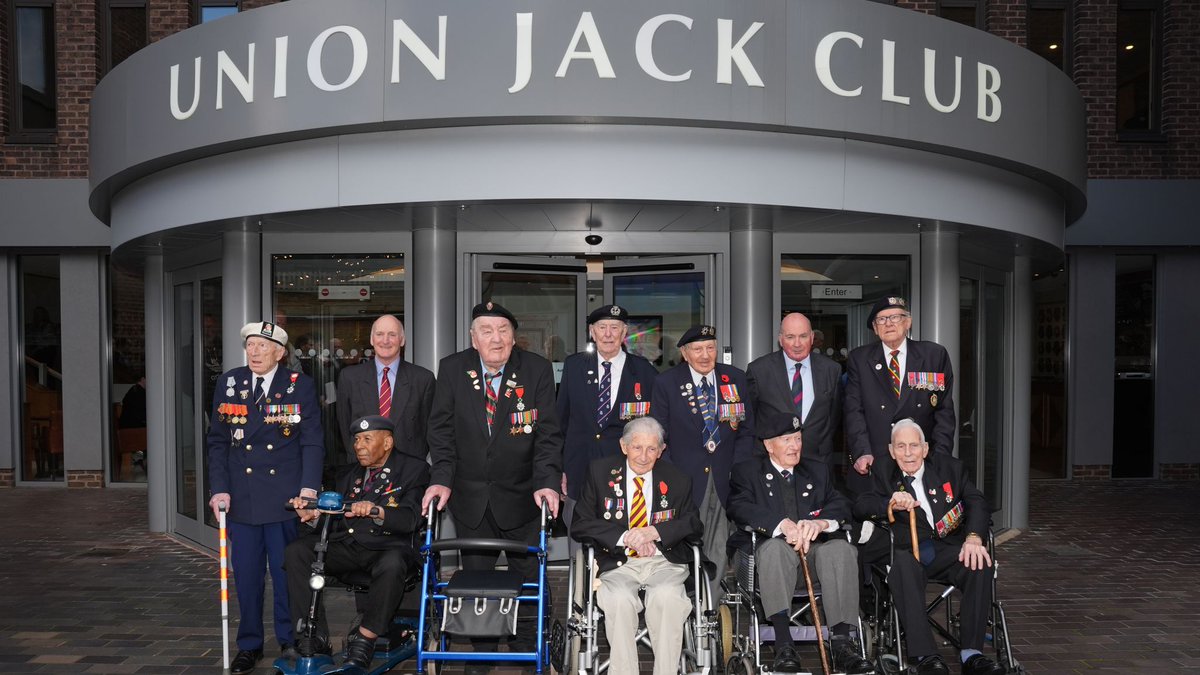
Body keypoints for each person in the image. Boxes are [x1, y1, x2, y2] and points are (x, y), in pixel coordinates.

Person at [422, 301, 562, 674]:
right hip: (470, 497)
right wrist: (441, 480)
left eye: (502, 330)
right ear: (473, 337)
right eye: (486, 330)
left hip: (524, 495)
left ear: (514, 337)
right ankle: (481, 651)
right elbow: (441, 432)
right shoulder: (453, 369)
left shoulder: (536, 370)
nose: (495, 338)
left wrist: (548, 483)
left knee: (530, 577)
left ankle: (528, 643)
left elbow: (548, 435)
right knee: (475, 580)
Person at [207, 321, 325, 674]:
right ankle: (250, 644)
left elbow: (312, 440)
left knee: (287, 574)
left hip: (285, 498)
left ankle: (289, 640)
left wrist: (309, 489)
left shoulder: (298, 386)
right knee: (246, 576)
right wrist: (219, 488)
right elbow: (217, 441)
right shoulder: (229, 382)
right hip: (242, 499)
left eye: (263, 346)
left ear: (280, 353)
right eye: (251, 345)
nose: (255, 352)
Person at [726, 411, 872, 674]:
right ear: (769, 445)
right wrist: (781, 525)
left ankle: (841, 643)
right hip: (767, 564)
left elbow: (841, 503)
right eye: (787, 440)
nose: (795, 446)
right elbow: (739, 506)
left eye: (798, 438)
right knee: (774, 549)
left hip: (814, 562)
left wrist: (821, 524)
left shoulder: (816, 469)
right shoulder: (747, 472)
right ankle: (783, 643)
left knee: (840, 549)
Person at [853, 419, 1003, 675]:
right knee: (903, 566)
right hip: (904, 551)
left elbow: (977, 502)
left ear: (925, 448)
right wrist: (889, 502)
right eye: (900, 446)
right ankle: (926, 656)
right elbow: (860, 506)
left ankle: (972, 654)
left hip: (945, 549)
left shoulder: (950, 469)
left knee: (980, 562)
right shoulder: (882, 472)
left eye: (914, 445)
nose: (908, 453)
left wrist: (974, 538)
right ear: (891, 451)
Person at [284, 415, 430, 668]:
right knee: (298, 551)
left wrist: (378, 511)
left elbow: (410, 518)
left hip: (388, 547)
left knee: (393, 562)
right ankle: (313, 637)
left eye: (366, 439)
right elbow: (336, 520)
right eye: (356, 440)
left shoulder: (414, 469)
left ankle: (365, 638)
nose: (358, 445)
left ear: (387, 443)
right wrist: (311, 516)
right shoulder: (349, 474)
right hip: (349, 546)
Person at [570, 416, 704, 675]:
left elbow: (693, 524)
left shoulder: (677, 478)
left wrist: (655, 533)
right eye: (637, 447)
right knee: (618, 601)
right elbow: (581, 523)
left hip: (663, 562)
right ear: (623, 446)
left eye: (652, 448)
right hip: (618, 561)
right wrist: (626, 537)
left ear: (661, 450)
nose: (644, 456)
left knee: (668, 599)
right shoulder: (599, 472)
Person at [651, 324, 753, 581]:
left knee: (718, 545)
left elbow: (747, 430)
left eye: (710, 348)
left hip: (723, 476)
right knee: (682, 544)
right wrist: (673, 478)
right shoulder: (667, 383)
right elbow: (659, 435)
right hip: (682, 479)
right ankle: (685, 599)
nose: (705, 355)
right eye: (697, 349)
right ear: (685, 353)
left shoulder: (736, 378)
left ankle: (711, 608)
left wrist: (737, 468)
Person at [844, 296, 955, 495]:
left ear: (908, 322)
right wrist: (862, 452)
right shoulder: (859, 359)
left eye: (895, 317)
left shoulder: (933, 355)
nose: (888, 324)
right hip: (876, 461)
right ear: (875, 328)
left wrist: (939, 458)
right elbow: (853, 410)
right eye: (881, 319)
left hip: (920, 460)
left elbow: (944, 412)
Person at [557, 304, 658, 518]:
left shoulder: (644, 371)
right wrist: (559, 468)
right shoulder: (574, 366)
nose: (608, 334)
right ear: (592, 332)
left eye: (615, 327)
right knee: (578, 537)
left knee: (621, 538)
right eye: (602, 327)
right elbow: (560, 422)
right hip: (579, 470)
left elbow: (654, 425)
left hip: (625, 472)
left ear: (624, 332)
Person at [746, 312, 843, 484]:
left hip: (818, 464)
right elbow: (750, 420)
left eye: (803, 336)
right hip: (773, 465)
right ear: (780, 339)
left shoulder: (831, 370)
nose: (797, 344)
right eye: (790, 337)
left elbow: (833, 417)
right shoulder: (759, 371)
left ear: (812, 337)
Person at [336, 314, 435, 462]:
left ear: (402, 340)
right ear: (371, 339)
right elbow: (344, 427)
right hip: (363, 468)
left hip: (409, 471)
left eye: (392, 335)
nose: (385, 340)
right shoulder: (349, 378)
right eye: (380, 334)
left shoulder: (423, 379)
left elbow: (430, 429)